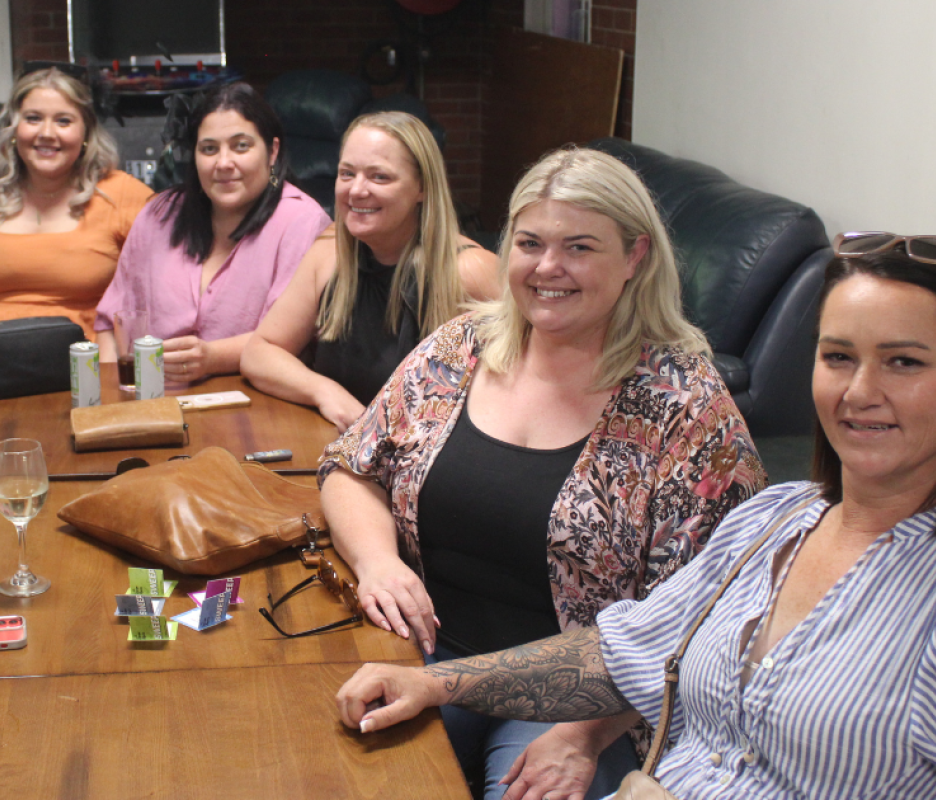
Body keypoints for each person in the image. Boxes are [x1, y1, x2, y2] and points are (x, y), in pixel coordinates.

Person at [335, 241, 936, 798]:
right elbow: (623, 656)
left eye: (903, 362)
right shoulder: (775, 521)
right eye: (838, 356)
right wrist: (434, 684)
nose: (858, 391)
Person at [318, 147, 766, 800]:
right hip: (424, 652)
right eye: (529, 243)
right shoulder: (458, 348)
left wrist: (587, 736)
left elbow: (707, 618)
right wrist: (378, 561)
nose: (548, 268)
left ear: (635, 257)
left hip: (579, 702)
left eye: (580, 247)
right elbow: (349, 467)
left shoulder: (684, 405)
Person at [240, 111, 498, 432]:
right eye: (347, 173)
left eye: (379, 177)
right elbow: (260, 352)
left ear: (422, 188)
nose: (356, 191)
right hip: (345, 454)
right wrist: (326, 392)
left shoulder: (471, 270)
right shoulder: (328, 255)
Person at [95, 82, 330, 381]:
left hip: (258, 399)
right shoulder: (159, 214)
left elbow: (292, 337)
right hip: (153, 399)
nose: (223, 163)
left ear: (272, 151)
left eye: (240, 146)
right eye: (209, 149)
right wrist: (111, 392)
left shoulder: (302, 221)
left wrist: (213, 359)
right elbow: (110, 324)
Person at [0, 67, 154, 339]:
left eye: (63, 121)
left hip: (86, 365)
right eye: (33, 118)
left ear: (86, 133)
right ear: (14, 127)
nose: (47, 133)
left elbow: (170, 279)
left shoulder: (122, 193)